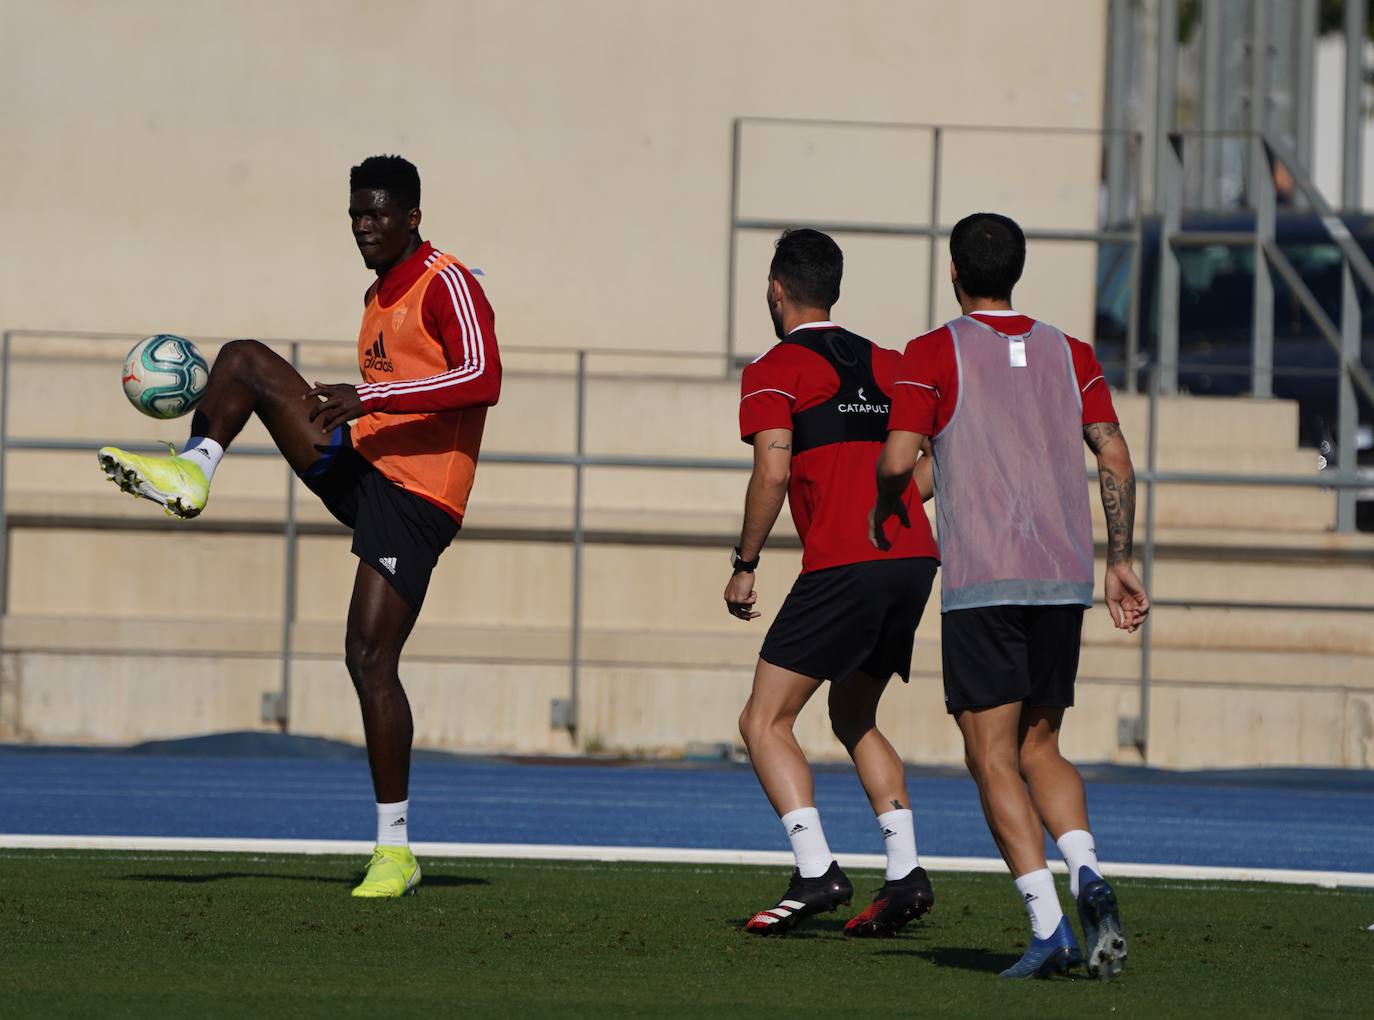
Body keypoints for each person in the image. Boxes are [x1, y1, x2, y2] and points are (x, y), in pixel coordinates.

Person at [97, 155, 501, 898]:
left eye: (377, 213)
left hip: (418, 499)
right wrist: (365, 407)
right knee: (244, 359)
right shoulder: (378, 292)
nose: (364, 226)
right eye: (355, 214)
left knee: (367, 658)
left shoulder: (448, 281)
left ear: (413, 215)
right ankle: (194, 469)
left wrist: (374, 399)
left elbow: (482, 377)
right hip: (367, 464)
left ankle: (395, 852)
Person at [870, 212, 1147, 979]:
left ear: (953, 273)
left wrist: (886, 495)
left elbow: (899, 461)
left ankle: (1047, 922)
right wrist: (1119, 560)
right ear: (1016, 272)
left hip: (984, 579)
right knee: (1041, 746)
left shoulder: (933, 352)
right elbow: (1115, 457)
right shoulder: (1070, 351)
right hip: (1062, 579)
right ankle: (1088, 870)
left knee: (989, 754)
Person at [727, 228, 940, 937]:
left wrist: (745, 564)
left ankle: (816, 870)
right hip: (911, 560)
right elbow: (934, 466)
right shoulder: (891, 362)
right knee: (853, 715)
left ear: (775, 289)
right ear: (836, 290)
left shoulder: (773, 369)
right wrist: (894, 511)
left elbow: (773, 472)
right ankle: (906, 873)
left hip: (844, 563)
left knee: (764, 720)